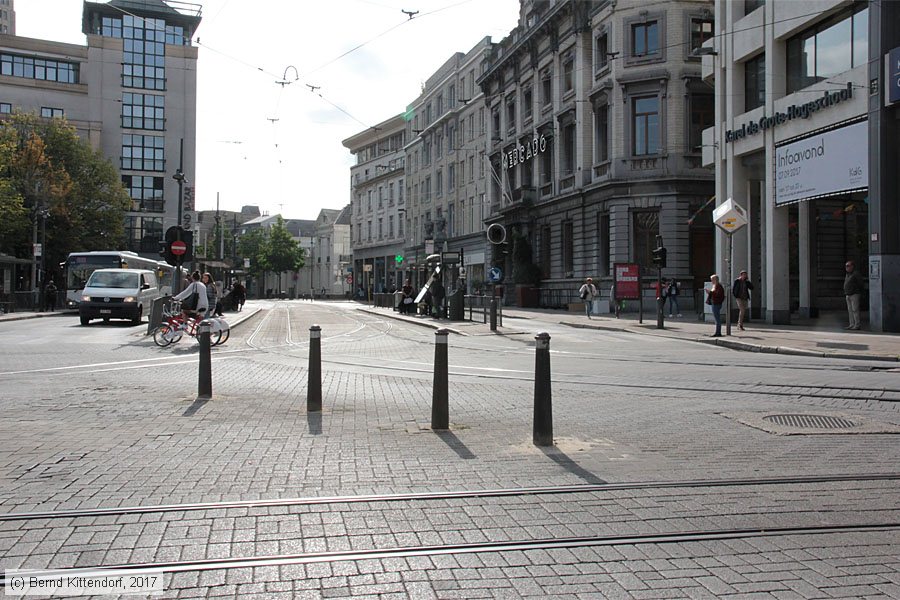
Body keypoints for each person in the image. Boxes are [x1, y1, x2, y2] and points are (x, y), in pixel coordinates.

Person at [844, 260, 863, 330]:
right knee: (850, 311)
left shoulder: (856, 274)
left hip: (854, 294)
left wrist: (857, 291)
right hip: (848, 294)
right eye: (846, 266)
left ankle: (857, 324)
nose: (846, 267)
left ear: (852, 266)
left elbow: (860, 283)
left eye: (848, 266)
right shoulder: (847, 274)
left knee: (855, 310)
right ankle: (851, 324)